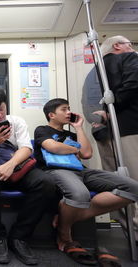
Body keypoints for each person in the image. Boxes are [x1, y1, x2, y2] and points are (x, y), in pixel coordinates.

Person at [33, 98, 138, 265]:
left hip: (81, 171)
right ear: (51, 115)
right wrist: (76, 149)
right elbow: (53, 147)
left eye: (69, 108)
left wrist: (79, 127)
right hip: (56, 170)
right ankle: (64, 232)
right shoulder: (42, 130)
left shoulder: (71, 134)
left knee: (133, 187)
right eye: (64, 109)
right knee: (79, 194)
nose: (69, 112)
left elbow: (87, 154)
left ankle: (67, 218)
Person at [0, 87, 56, 265]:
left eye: (2, 108)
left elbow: (26, 148)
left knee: (46, 182)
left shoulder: (16, 121)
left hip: (16, 165)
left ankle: (19, 237)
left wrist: (10, 165)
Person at [101, 35, 138, 238]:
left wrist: (107, 112)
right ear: (117, 46)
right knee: (134, 181)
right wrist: (112, 107)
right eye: (128, 43)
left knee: (119, 183)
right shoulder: (131, 58)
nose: (131, 47)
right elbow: (133, 84)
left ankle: (129, 231)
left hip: (110, 132)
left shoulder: (98, 69)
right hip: (131, 126)